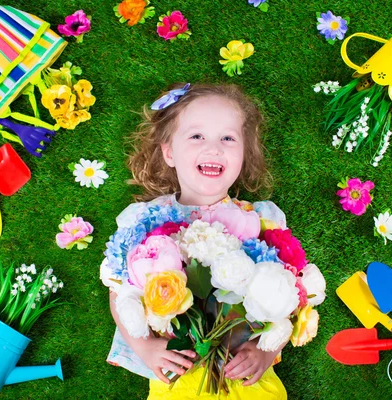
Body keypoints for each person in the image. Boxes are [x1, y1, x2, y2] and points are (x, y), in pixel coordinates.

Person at [100, 83, 289, 399]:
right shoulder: (145, 221)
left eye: (228, 138)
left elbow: (288, 296)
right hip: (177, 374)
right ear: (169, 152)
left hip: (244, 375)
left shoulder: (261, 222)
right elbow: (120, 291)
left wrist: (265, 351)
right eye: (197, 136)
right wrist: (144, 346)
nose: (214, 148)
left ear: (245, 153)